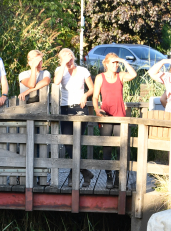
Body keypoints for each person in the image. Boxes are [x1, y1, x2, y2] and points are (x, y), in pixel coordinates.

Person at [93, 52, 137, 188]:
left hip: (120, 116)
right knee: (107, 147)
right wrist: (96, 110)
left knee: (121, 148)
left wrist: (123, 61)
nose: (115, 65)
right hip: (105, 115)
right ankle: (109, 177)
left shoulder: (121, 76)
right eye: (113, 62)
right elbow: (95, 97)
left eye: (117, 63)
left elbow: (133, 74)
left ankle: (119, 176)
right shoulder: (100, 77)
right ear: (106, 64)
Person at [54, 48, 95, 186]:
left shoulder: (83, 70)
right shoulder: (60, 70)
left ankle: (74, 174)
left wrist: (85, 95)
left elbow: (92, 88)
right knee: (67, 142)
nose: (69, 60)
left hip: (80, 108)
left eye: (70, 57)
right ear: (61, 59)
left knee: (76, 142)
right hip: (65, 108)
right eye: (65, 58)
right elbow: (56, 82)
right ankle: (85, 173)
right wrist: (63, 65)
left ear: (74, 57)